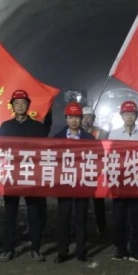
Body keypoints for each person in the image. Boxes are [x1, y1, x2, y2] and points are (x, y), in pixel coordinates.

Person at [0, 90, 49, 262]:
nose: (20, 105)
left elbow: (43, 150)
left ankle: (36, 248)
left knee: (34, 213)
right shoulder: (6, 126)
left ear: (28, 105)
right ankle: (8, 249)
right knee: (10, 214)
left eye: (23, 102)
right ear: (12, 106)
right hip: (11, 174)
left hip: (31, 175)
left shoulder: (37, 127)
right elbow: (0, 149)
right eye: (17, 103)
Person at [53, 103, 96, 263]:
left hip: (82, 183)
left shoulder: (89, 139)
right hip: (64, 183)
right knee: (63, 218)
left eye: (77, 117)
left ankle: (81, 251)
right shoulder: (57, 138)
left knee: (81, 218)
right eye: (70, 117)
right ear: (66, 118)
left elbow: (96, 160)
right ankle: (62, 252)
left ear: (81, 119)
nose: (74, 121)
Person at [109, 100, 138, 263]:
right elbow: (110, 157)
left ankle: (136, 250)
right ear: (121, 116)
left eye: (132, 114)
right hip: (119, 183)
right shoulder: (114, 134)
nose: (129, 117)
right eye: (126, 114)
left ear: (136, 116)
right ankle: (120, 249)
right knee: (119, 218)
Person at [82, 106, 107, 236]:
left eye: (89, 117)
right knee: (81, 202)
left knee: (98, 201)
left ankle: (101, 227)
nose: (87, 119)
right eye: (85, 117)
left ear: (94, 118)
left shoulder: (101, 133)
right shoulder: (77, 132)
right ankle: (80, 227)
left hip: (97, 170)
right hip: (81, 171)